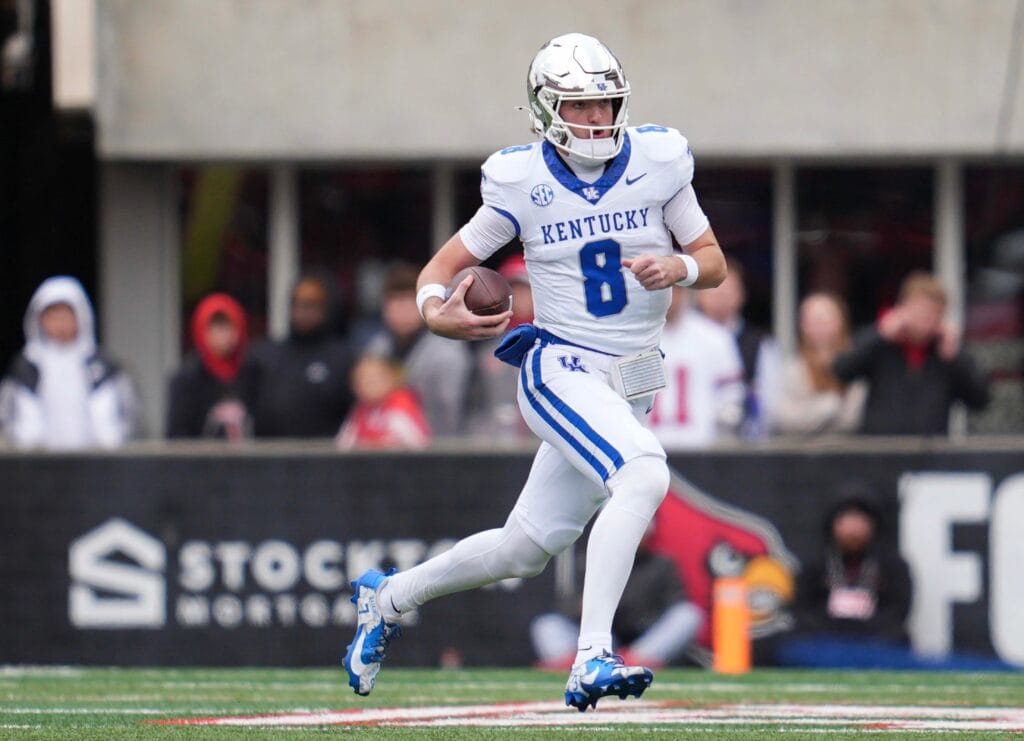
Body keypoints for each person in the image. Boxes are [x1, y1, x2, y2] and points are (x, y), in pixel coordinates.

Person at [342, 33, 727, 712]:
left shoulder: (659, 160)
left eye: (605, 103)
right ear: (547, 110)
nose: (597, 119)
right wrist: (441, 316)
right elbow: (437, 275)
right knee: (642, 472)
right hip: (561, 365)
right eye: (579, 106)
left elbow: (711, 257)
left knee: (524, 548)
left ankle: (389, 598)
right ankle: (592, 656)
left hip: (633, 373)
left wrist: (681, 268)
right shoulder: (524, 182)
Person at [832, 271, 989, 435]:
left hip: (931, 452)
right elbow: (841, 371)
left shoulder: (946, 352)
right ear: (902, 309)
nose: (924, 319)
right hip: (880, 450)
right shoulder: (881, 345)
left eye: (932, 313)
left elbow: (980, 401)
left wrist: (956, 358)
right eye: (919, 311)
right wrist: (880, 336)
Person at [530, 524, 703, 671]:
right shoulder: (592, 562)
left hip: (644, 640)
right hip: (600, 640)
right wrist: (581, 606)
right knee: (546, 625)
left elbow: (677, 604)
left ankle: (633, 663)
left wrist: (636, 613)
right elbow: (565, 607)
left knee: (689, 616)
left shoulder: (662, 564)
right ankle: (576, 665)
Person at [0, 275, 137, 449]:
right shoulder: (26, 367)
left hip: (95, 465)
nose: (59, 323)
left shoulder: (102, 365)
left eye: (65, 315)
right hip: (39, 466)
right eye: (52, 316)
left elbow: (128, 418)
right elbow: (8, 420)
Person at [361, 263, 473, 437]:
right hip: (386, 447)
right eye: (395, 302)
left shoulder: (447, 351)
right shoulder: (377, 348)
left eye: (409, 302)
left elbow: (452, 413)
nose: (402, 310)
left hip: (438, 448)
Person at [251, 273, 354, 437]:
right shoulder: (265, 355)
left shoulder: (343, 358)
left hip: (325, 457)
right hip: (270, 455)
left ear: (326, 308)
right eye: (297, 304)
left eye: (310, 304)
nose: (302, 311)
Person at [649, 285, 745, 448]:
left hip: (700, 449)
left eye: (677, 288)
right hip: (647, 449)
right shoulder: (635, 338)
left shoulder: (716, 337)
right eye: (664, 288)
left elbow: (731, 399)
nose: (671, 295)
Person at [695, 258, 779, 438]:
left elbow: (769, 403)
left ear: (741, 295)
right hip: (692, 439)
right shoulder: (679, 339)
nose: (720, 297)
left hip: (742, 443)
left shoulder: (759, 344)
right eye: (713, 289)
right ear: (698, 295)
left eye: (727, 291)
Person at [464, 253, 536, 440]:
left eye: (526, 290)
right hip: (492, 442)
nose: (520, 297)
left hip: (541, 440)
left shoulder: (555, 341)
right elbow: (473, 405)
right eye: (513, 290)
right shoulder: (484, 341)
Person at [166, 293, 257, 440]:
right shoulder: (187, 378)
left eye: (229, 327)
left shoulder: (253, 373)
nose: (223, 336)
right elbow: (177, 434)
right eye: (216, 328)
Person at [774, 293, 867, 436]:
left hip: (845, 451)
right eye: (813, 320)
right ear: (802, 326)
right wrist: (829, 406)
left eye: (825, 319)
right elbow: (784, 419)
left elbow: (852, 419)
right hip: (802, 453)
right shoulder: (793, 367)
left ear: (840, 321)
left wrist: (810, 415)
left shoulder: (854, 364)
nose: (820, 326)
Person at [335, 354, 431, 450]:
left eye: (375, 379)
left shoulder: (400, 408)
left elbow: (416, 444)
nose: (370, 384)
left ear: (391, 378)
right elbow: (343, 445)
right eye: (363, 380)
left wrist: (377, 445)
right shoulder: (360, 412)